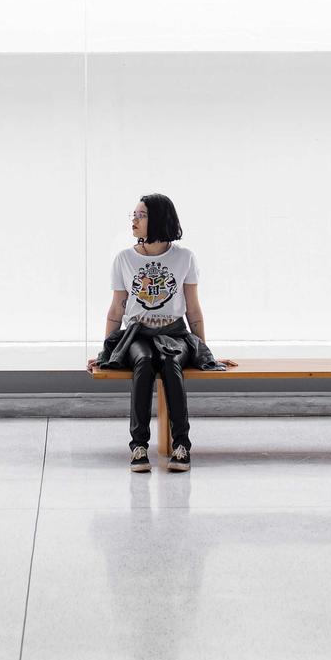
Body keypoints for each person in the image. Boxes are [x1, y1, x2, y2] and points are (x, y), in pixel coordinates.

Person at [86, 194, 236, 473]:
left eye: (140, 215)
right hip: (137, 336)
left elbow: (193, 310)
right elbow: (116, 311)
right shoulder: (123, 259)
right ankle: (138, 447)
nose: (134, 220)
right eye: (134, 215)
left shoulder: (185, 258)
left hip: (175, 335)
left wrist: (205, 352)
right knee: (143, 362)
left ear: (157, 219)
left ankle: (182, 446)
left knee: (170, 361)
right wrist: (104, 352)